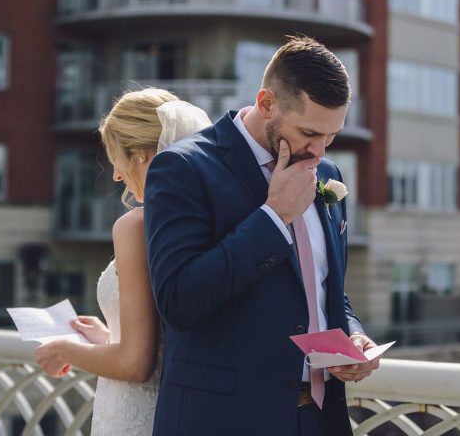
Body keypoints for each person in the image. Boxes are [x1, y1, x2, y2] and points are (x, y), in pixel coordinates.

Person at [144, 36, 380, 436]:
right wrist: (274, 217)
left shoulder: (328, 176)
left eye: (331, 136)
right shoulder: (183, 168)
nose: (320, 151)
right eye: (309, 132)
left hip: (319, 419)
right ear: (267, 103)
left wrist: (354, 335)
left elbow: (325, 287)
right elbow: (178, 300)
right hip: (223, 421)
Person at [34, 88, 211, 435]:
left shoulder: (136, 226)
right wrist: (105, 338)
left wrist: (63, 348)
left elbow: (135, 364)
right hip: (182, 410)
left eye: (117, 157)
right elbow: (160, 343)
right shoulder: (203, 220)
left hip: (135, 415)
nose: (116, 175)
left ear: (143, 155)